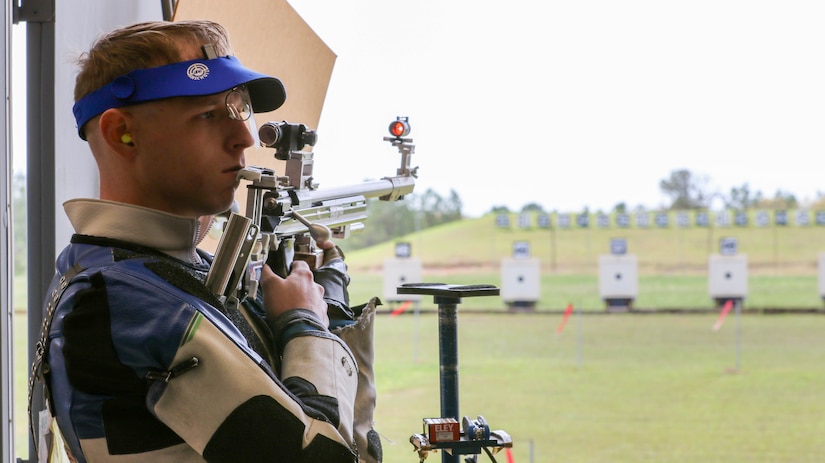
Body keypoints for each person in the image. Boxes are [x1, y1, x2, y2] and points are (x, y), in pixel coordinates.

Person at [32, 20, 381, 463]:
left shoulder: (133, 269)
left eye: (241, 110)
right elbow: (327, 457)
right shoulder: (123, 299)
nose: (246, 138)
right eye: (209, 115)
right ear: (122, 133)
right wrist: (306, 323)